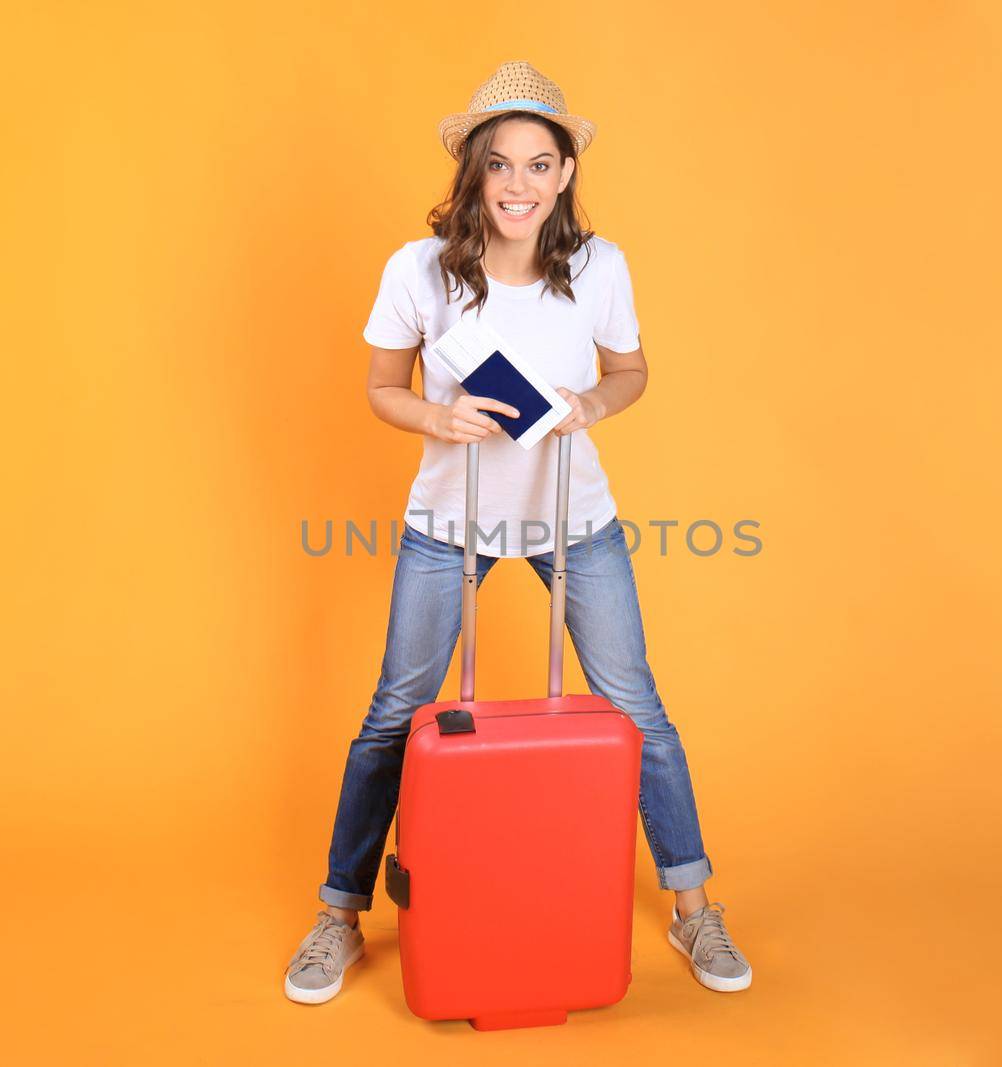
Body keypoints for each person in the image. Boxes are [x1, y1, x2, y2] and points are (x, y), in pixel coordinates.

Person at [284, 60, 752, 1005]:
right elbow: (382, 388)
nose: (519, 186)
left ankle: (693, 905)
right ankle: (338, 916)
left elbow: (632, 372)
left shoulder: (600, 268)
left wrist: (591, 403)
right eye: (501, 165)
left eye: (540, 165)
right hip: (445, 521)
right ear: (472, 172)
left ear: (565, 174)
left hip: (573, 520)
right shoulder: (417, 272)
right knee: (391, 712)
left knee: (639, 709)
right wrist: (434, 417)